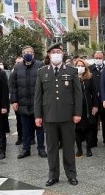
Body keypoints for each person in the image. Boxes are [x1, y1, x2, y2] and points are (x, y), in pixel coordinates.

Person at [35, 43, 82, 186]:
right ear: (49, 55)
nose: (56, 54)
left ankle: (71, 174)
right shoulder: (42, 72)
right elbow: (38, 96)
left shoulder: (72, 71)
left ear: (62, 54)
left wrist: (77, 113)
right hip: (49, 116)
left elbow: (78, 94)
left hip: (68, 116)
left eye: (58, 51)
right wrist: (38, 115)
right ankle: (53, 175)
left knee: (68, 147)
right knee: (51, 147)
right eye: (53, 52)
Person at [10, 46, 46, 159]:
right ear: (22, 55)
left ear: (34, 54)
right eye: (26, 52)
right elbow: (13, 86)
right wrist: (14, 101)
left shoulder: (40, 65)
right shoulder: (17, 67)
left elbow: (45, 84)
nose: (28, 54)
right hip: (23, 102)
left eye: (30, 52)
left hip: (37, 103)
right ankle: (26, 149)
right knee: (25, 128)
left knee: (39, 128)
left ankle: (41, 149)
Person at [74, 58, 98, 157]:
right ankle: (79, 149)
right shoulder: (72, 78)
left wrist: (95, 106)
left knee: (89, 128)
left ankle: (88, 148)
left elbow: (94, 93)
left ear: (85, 67)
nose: (80, 67)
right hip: (76, 108)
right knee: (77, 130)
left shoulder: (89, 78)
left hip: (88, 107)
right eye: (78, 65)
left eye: (82, 65)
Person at [88, 51, 105, 148]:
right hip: (93, 100)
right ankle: (93, 140)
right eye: (96, 58)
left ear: (103, 58)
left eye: (100, 58)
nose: (98, 59)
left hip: (104, 99)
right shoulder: (89, 69)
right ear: (93, 58)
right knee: (93, 121)